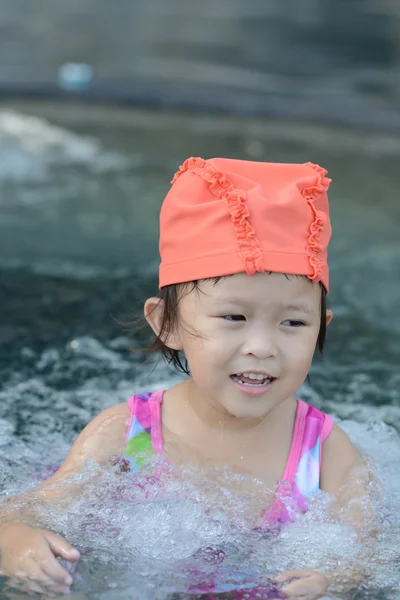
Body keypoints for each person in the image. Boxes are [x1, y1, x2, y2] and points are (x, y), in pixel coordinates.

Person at [0, 157, 374, 598]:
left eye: (293, 323)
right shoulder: (126, 435)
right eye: (234, 316)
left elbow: (367, 554)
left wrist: (333, 580)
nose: (262, 346)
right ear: (166, 324)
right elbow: (31, 510)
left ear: (321, 327)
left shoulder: (326, 452)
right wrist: (15, 540)